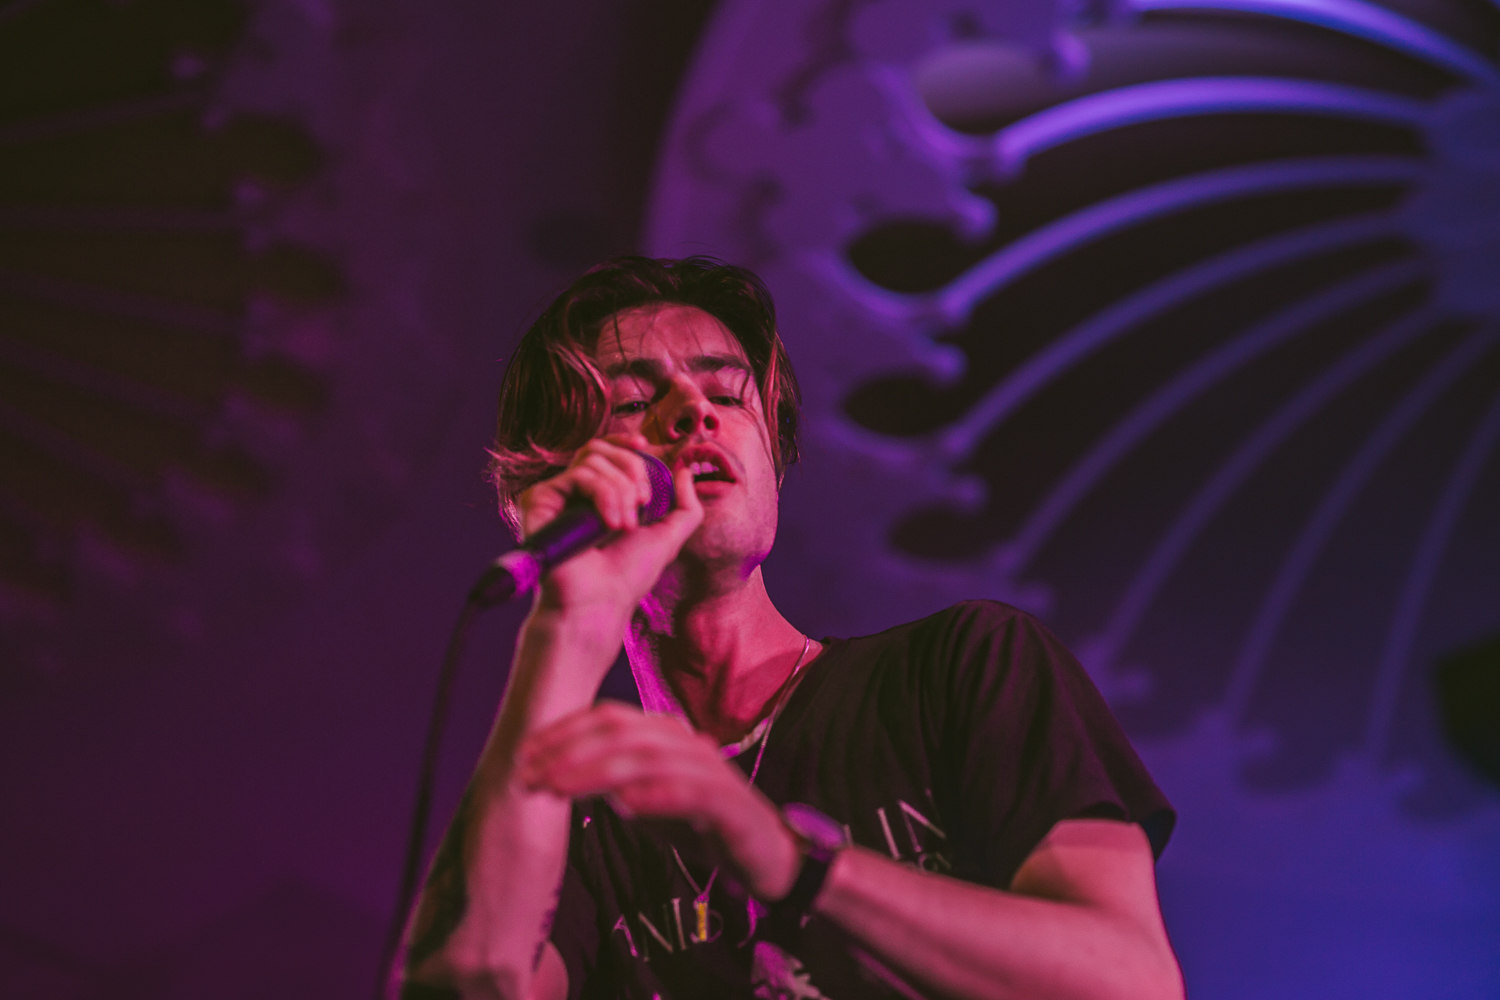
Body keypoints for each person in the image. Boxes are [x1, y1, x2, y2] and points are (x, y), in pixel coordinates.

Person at [400, 256, 1182, 1000]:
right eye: (635, 403)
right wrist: (567, 622)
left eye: (728, 393)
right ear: (557, 481)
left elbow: (1130, 984)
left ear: (773, 454)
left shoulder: (963, 668)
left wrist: (797, 865)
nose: (695, 411)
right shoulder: (566, 821)